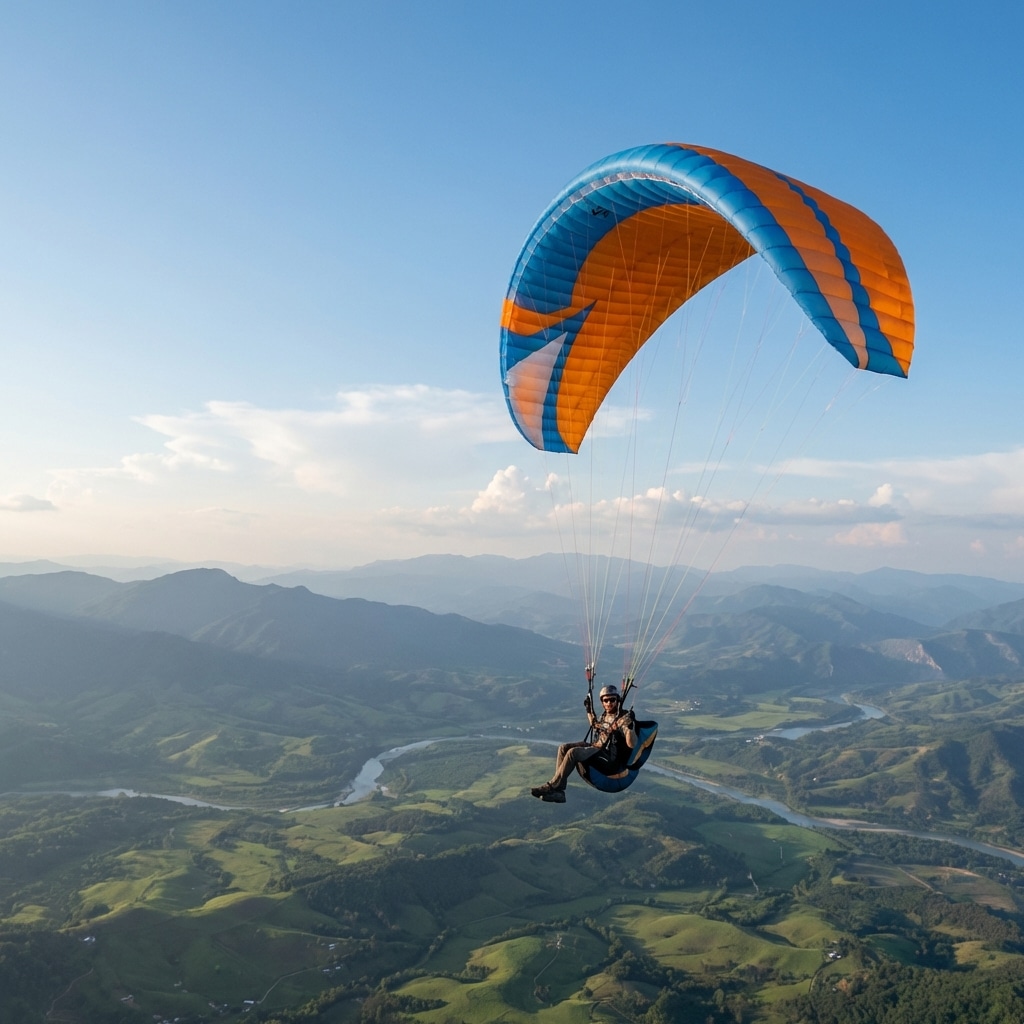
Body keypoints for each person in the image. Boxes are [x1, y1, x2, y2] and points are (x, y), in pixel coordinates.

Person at [531, 684, 637, 803]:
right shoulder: (605, 715)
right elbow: (594, 724)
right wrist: (588, 709)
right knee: (563, 748)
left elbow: (632, 743)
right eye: (605, 700)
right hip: (596, 748)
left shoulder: (623, 718)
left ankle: (552, 785)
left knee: (573, 753)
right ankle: (559, 791)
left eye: (612, 699)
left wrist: (630, 727)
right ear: (602, 702)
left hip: (608, 759)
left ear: (617, 700)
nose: (609, 703)